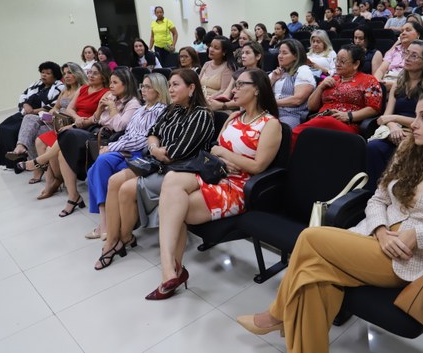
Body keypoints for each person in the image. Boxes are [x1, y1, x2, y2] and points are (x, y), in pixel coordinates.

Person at [236, 87, 423, 353]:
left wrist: (419, 235)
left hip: (407, 256)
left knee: (310, 237)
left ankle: (277, 314)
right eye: (416, 116)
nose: (413, 124)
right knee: (313, 277)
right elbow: (377, 199)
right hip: (371, 238)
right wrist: (380, 229)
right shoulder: (410, 148)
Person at [144, 68, 282, 299]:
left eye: (240, 85)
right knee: (172, 180)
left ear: (257, 89)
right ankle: (170, 268)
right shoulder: (234, 117)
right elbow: (214, 151)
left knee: (176, 206)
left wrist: (222, 153)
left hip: (240, 186)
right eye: (234, 84)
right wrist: (221, 156)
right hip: (217, 173)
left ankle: (173, 270)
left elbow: (257, 166)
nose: (234, 89)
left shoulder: (270, 124)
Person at [93, 68, 215, 271]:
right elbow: (152, 132)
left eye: (176, 85)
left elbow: (177, 152)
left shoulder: (201, 115)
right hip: (156, 161)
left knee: (126, 189)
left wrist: (156, 149)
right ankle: (112, 242)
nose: (171, 89)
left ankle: (122, 239)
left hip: (179, 170)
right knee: (114, 181)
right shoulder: (173, 109)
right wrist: (155, 148)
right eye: (169, 85)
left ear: (192, 88)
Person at [85, 73, 169, 240]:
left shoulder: (159, 111)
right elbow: (128, 134)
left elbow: (142, 140)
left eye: (147, 87)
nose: (143, 90)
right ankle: (105, 222)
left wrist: (111, 147)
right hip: (125, 148)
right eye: (142, 86)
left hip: (140, 155)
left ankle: (106, 224)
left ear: (159, 91)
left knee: (98, 166)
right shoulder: (141, 110)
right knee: (97, 166)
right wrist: (110, 147)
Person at [56, 68, 141, 217]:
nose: (111, 86)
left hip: (112, 139)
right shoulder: (112, 97)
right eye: (110, 82)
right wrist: (100, 109)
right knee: (63, 151)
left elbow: (119, 126)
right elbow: (97, 120)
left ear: (126, 84)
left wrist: (113, 108)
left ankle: (40, 162)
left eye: (115, 83)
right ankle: (73, 196)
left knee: (69, 136)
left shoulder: (132, 103)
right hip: (98, 132)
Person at [24, 62, 109, 200]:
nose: (91, 75)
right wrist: (76, 117)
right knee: (41, 141)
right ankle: (53, 181)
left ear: (104, 77)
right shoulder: (84, 89)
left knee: (53, 148)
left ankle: (52, 177)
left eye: (95, 73)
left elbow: (98, 117)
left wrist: (79, 121)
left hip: (87, 126)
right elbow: (69, 108)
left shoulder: (106, 93)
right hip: (74, 122)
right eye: (90, 72)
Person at [367, 40, 423, 190]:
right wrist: (394, 127)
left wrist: (395, 119)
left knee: (404, 149)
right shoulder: (398, 84)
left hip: (418, 132)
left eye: (414, 56)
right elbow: (386, 116)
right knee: (373, 147)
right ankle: (373, 193)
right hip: (394, 131)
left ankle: (398, 193)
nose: (407, 58)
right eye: (407, 53)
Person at [291, 44, 382, 146]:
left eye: (342, 61)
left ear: (356, 64)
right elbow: (312, 106)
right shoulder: (332, 79)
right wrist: (321, 87)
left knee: (309, 130)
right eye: (336, 60)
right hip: (321, 120)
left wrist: (349, 116)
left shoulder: (369, 80)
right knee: (317, 127)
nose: (337, 64)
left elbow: (374, 108)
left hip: (348, 123)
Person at [7, 63, 84, 184]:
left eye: (70, 73)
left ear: (77, 73)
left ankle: (37, 169)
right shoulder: (65, 89)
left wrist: (57, 114)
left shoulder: (81, 89)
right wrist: (52, 113)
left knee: (35, 133)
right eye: (64, 74)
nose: (67, 76)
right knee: (29, 118)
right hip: (55, 120)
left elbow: (74, 110)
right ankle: (21, 146)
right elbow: (55, 107)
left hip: (67, 122)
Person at [0, 61, 64, 170]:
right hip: (26, 113)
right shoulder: (35, 84)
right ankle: (10, 162)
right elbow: (23, 96)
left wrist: (33, 111)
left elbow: (54, 105)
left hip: (40, 116)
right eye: (42, 72)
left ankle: (22, 159)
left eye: (48, 73)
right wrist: (25, 105)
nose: (44, 75)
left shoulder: (59, 87)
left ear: (55, 75)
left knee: (16, 129)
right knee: (4, 127)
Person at [269, 39, 316, 128]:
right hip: (270, 112)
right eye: (279, 52)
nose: (280, 56)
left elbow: (297, 100)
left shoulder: (303, 71)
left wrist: (271, 103)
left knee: (273, 129)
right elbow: (260, 93)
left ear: (296, 56)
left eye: (284, 53)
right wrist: (273, 80)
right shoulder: (277, 72)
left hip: (290, 115)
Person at [208, 41, 265, 112]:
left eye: (247, 53)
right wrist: (212, 99)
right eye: (242, 53)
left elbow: (245, 100)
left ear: (258, 56)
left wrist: (222, 105)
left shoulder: (260, 76)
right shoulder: (239, 71)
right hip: (231, 105)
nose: (243, 56)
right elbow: (227, 93)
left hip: (246, 109)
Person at [375, 21, 423, 86]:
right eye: (402, 31)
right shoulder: (395, 50)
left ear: (418, 35)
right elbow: (381, 70)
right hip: (385, 82)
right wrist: (377, 82)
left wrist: (390, 85)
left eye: (408, 30)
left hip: (407, 85)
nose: (403, 33)